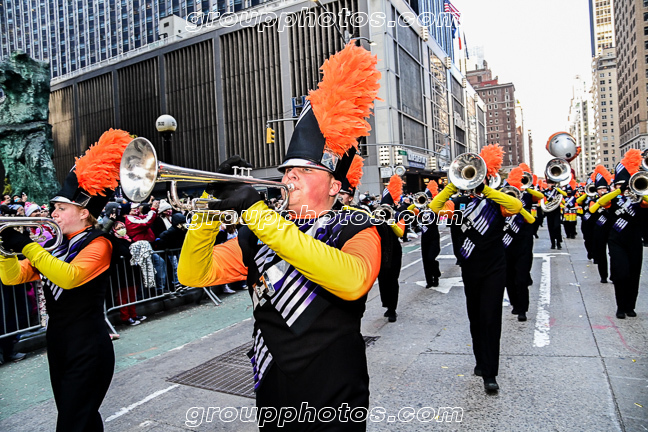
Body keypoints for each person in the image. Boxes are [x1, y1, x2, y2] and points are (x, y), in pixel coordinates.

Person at [179, 43, 381, 431]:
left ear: (335, 186)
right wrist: (209, 207)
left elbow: (353, 281)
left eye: (305, 170)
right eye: (288, 169)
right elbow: (193, 273)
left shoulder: (356, 226)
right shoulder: (257, 234)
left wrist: (259, 215)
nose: (290, 176)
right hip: (271, 387)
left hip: (335, 394)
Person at [0, 129, 132, 431]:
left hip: (88, 345)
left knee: (73, 423)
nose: (53, 213)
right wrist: (5, 249)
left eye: (61, 208)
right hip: (59, 342)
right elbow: (12, 277)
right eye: (54, 208)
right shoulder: (55, 245)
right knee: (81, 421)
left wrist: (27, 246)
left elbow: (70, 278)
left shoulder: (100, 243)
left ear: (84, 213)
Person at [429, 144, 522, 393]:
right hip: (470, 266)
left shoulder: (495, 201)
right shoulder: (457, 203)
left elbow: (516, 207)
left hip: (495, 266)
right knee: (476, 317)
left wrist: (486, 190)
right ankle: (481, 361)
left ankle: (490, 373)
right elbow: (434, 209)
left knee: (491, 317)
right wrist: (452, 185)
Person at [589, 149, 648, 319]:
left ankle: (630, 306)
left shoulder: (639, 198)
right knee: (621, 273)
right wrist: (618, 191)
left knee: (634, 274)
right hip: (616, 241)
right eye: (619, 184)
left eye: (626, 184)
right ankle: (620, 306)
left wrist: (638, 192)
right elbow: (596, 205)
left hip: (634, 240)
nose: (624, 187)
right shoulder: (612, 198)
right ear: (614, 185)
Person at [501, 167, 541, 322]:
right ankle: (515, 304)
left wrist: (525, 190)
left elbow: (540, 196)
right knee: (508, 276)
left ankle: (523, 309)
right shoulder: (503, 195)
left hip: (523, 239)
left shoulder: (527, 196)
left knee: (521, 276)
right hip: (506, 240)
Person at [377, 174, 406, 322]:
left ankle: (392, 309)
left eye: (388, 207)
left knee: (393, 280)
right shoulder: (376, 216)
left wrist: (391, 221)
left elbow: (400, 233)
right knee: (382, 280)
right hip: (381, 252)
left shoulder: (399, 215)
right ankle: (387, 304)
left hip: (394, 251)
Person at [589, 165, 614, 283]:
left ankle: (614, 275)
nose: (603, 190)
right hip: (599, 229)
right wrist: (600, 201)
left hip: (612, 229)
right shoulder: (593, 200)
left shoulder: (612, 199)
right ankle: (603, 275)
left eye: (604, 188)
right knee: (601, 253)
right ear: (596, 190)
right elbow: (591, 210)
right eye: (600, 189)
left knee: (614, 253)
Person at [420, 180, 441, 288]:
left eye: (428, 199)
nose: (427, 201)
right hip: (424, 237)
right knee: (425, 260)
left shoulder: (436, 209)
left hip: (433, 236)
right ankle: (429, 281)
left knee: (431, 258)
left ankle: (436, 275)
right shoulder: (420, 210)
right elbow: (410, 210)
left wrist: (432, 204)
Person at [542, 180, 567, 249]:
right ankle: (553, 243)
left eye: (552, 183)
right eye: (549, 183)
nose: (551, 184)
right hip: (549, 211)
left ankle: (558, 242)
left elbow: (565, 195)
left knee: (557, 226)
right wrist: (549, 201)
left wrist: (558, 189)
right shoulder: (545, 192)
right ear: (547, 184)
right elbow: (543, 202)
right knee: (551, 227)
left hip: (556, 211)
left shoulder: (557, 191)